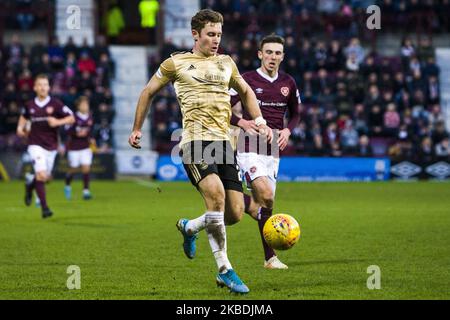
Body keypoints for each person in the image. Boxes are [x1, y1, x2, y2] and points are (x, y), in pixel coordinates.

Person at [128, 9, 272, 294]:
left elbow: (246, 92)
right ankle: (225, 270)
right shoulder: (176, 63)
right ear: (195, 34)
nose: (216, 40)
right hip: (194, 142)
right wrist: (136, 128)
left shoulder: (226, 63)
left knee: (234, 213)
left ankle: (190, 227)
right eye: (210, 34)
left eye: (219, 34)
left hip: (224, 144)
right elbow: (147, 92)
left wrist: (259, 121)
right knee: (216, 198)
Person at [230, 34, 301, 269]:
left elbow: (296, 114)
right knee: (267, 195)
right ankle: (270, 256)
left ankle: (269, 258)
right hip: (249, 146)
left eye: (277, 53)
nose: (273, 57)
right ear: (260, 54)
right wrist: (243, 122)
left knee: (264, 206)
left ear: (283, 56)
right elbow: (222, 108)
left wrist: (288, 131)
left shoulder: (288, 83)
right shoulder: (246, 79)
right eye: (268, 52)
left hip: (272, 151)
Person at [16, 74, 75, 218]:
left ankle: (30, 185)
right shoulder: (29, 105)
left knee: (45, 178)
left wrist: (57, 122)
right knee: (42, 175)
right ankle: (45, 209)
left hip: (51, 146)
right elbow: (24, 116)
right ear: (35, 87)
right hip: (35, 145)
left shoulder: (56, 104)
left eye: (45, 84)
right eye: (40, 85)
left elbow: (72, 118)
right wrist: (19, 128)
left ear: (49, 87)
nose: (43, 87)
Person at [64, 96, 95, 200]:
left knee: (86, 168)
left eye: (87, 104)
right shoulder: (73, 117)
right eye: (83, 104)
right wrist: (76, 133)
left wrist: (91, 138)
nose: (85, 106)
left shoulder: (90, 117)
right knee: (73, 169)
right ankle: (67, 185)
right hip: (74, 147)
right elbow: (66, 130)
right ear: (78, 106)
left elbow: (91, 131)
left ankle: (86, 191)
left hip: (85, 147)